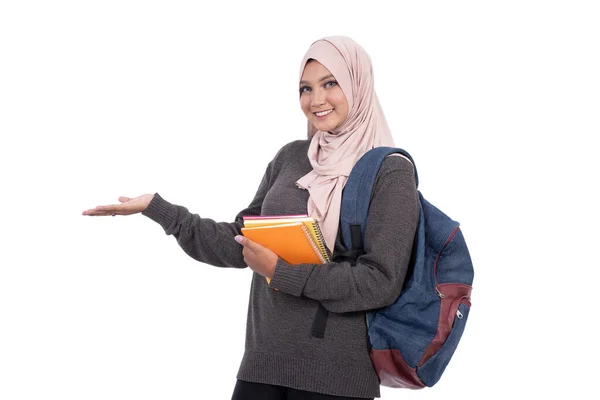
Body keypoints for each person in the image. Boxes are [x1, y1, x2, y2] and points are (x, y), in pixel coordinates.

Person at [82, 36, 420, 400]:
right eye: (306, 88)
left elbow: (380, 282)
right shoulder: (292, 157)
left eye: (330, 83)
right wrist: (160, 210)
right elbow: (238, 244)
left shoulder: (389, 171)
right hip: (263, 363)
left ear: (358, 83)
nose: (316, 100)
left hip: (336, 375)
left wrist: (282, 272)